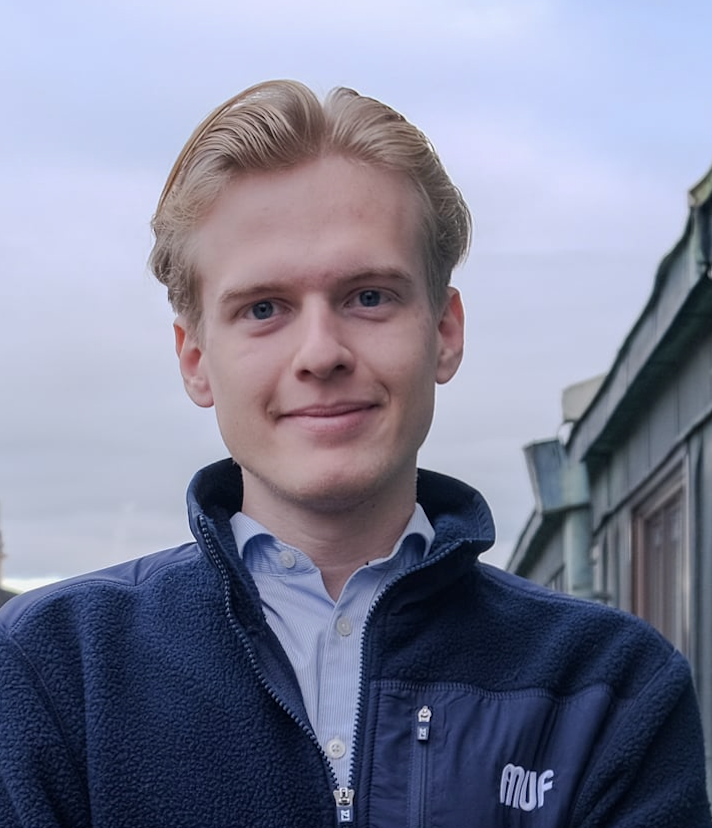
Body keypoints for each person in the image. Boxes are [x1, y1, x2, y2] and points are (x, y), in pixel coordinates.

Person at [0, 80, 709, 828]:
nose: (321, 353)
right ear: (196, 359)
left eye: (369, 296)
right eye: (263, 309)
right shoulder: (53, 670)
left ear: (444, 331)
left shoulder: (608, 687)